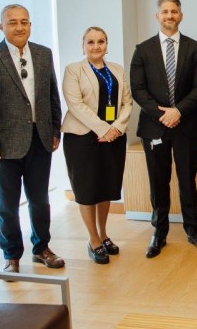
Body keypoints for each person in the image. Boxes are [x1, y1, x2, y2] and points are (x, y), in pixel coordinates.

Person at [0, 4, 65, 274]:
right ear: (1, 27)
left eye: (24, 21)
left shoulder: (44, 54)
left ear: (30, 25)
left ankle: (42, 248)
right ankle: (11, 255)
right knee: (7, 206)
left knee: (40, 201)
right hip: (3, 146)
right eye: (12, 22)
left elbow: (52, 95)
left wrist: (55, 131)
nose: (19, 27)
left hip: (40, 140)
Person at [130, 0, 197, 258]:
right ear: (158, 16)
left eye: (174, 11)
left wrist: (178, 111)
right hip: (154, 127)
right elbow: (138, 89)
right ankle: (159, 232)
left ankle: (193, 229)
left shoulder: (195, 49)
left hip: (187, 125)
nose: (169, 16)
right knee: (158, 182)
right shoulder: (142, 50)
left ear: (181, 16)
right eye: (165, 11)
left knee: (187, 180)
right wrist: (162, 115)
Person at [61, 27, 132, 264]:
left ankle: (103, 234)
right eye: (90, 42)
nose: (96, 46)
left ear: (106, 45)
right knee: (87, 189)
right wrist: (104, 129)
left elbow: (127, 102)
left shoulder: (117, 70)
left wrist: (116, 128)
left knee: (106, 187)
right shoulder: (73, 70)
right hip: (83, 139)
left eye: (101, 41)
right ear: (83, 46)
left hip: (113, 139)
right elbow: (75, 105)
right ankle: (93, 240)